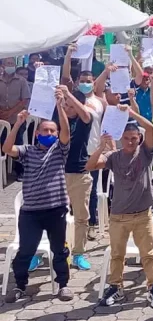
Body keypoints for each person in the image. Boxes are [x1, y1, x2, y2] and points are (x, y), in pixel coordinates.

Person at [86, 103, 153, 309]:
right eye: (127, 138)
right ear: (121, 138)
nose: (130, 141)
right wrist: (102, 146)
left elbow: (151, 129)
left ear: (138, 139)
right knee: (117, 255)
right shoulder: (114, 156)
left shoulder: (146, 153)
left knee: (148, 255)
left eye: (134, 138)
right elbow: (90, 165)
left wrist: (132, 113)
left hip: (142, 215)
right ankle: (116, 287)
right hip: (118, 216)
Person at [2, 101, 73, 303]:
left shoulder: (60, 150)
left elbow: (66, 131)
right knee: (26, 250)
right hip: (31, 212)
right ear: (36, 134)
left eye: (52, 130)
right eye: (45, 130)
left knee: (59, 249)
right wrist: (17, 123)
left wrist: (60, 107)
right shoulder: (27, 151)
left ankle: (63, 285)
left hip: (56, 210)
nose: (49, 133)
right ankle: (20, 286)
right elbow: (7, 149)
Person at [55, 85, 95, 271]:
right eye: (66, 105)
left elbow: (85, 114)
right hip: (57, 174)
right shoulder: (57, 118)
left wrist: (69, 94)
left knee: (81, 216)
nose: (68, 109)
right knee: (52, 216)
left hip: (79, 173)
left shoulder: (84, 120)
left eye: (71, 106)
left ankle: (78, 253)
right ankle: (49, 251)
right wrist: (59, 101)